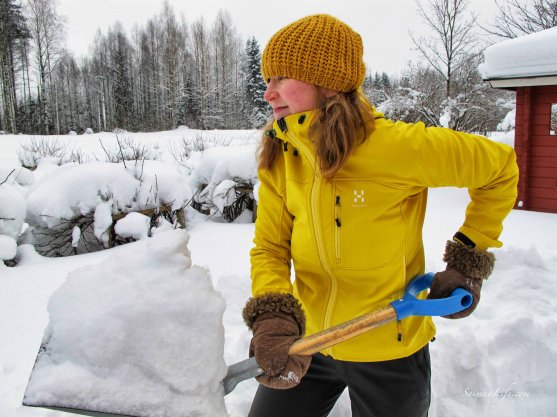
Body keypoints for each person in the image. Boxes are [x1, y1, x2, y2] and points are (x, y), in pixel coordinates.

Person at [241, 14, 519, 417]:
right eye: (267, 79)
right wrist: (275, 314)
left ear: (327, 81)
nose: (268, 93)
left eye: (281, 77)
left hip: (390, 346)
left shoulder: (396, 147)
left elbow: (500, 167)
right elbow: (269, 246)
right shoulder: (282, 156)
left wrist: (467, 257)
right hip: (310, 344)